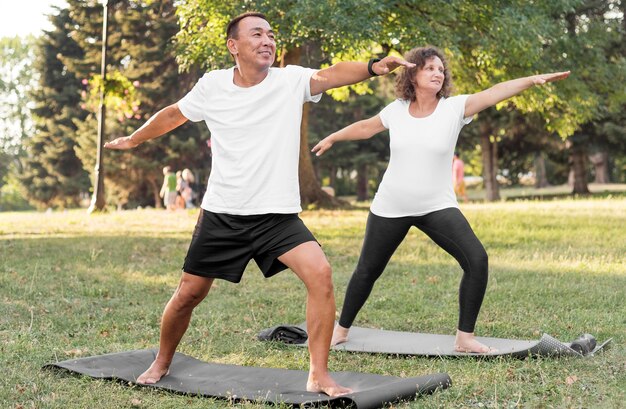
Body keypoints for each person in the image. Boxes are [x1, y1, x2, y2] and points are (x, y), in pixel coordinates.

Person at [104, 11, 414, 396]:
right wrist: (134, 139)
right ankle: (163, 360)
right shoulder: (212, 85)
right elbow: (173, 115)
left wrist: (373, 66)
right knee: (189, 294)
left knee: (320, 274)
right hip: (223, 213)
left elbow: (330, 74)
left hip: (276, 216)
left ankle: (318, 373)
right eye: (257, 34)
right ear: (234, 46)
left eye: (270, 34)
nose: (267, 40)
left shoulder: (289, 80)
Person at [312, 46, 569, 353]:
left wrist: (532, 80)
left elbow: (494, 92)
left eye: (441, 69)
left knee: (476, 260)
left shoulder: (455, 108)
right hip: (391, 205)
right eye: (430, 68)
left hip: (437, 206)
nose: (438, 73)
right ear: (413, 73)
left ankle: (465, 338)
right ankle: (341, 330)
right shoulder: (396, 110)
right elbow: (367, 127)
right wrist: (332, 137)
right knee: (367, 270)